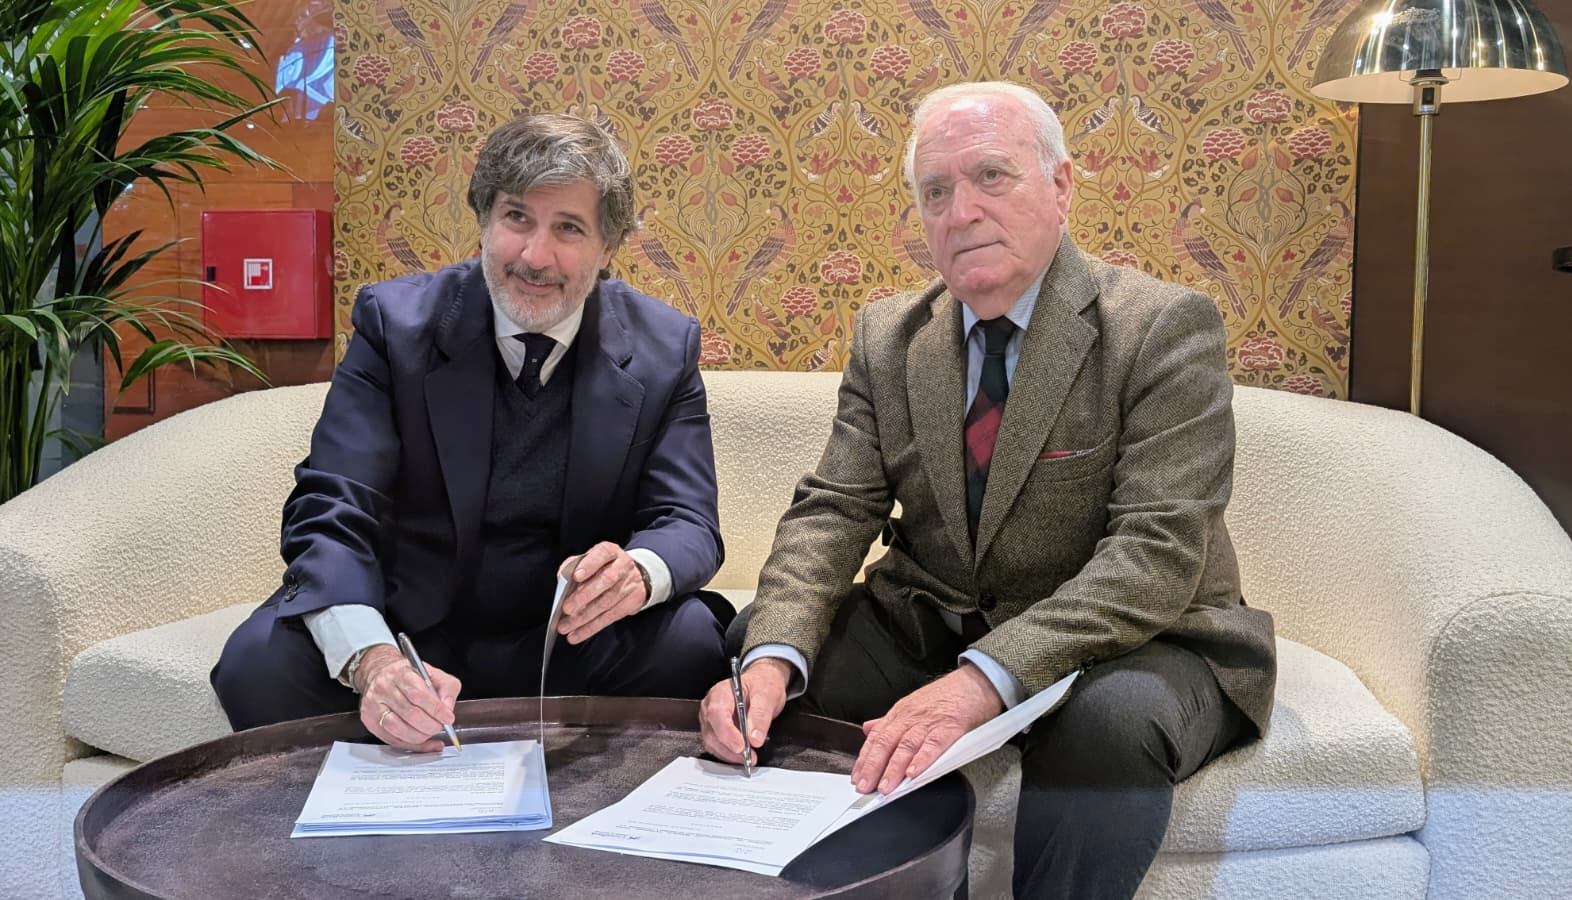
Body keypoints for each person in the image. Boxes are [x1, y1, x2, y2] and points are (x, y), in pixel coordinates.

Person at [699, 82, 1277, 900]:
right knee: (762, 657)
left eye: (991, 177)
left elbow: (1157, 554)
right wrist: (770, 656)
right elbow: (835, 507)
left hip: (1138, 641)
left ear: (1061, 186)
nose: (961, 212)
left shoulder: (1161, 327)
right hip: (935, 618)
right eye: (936, 192)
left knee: (1108, 729)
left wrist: (983, 680)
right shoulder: (890, 336)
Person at [214, 113, 730, 751]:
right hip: (411, 629)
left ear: (607, 249)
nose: (535, 257)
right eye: (517, 218)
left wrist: (637, 573)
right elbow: (333, 505)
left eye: (568, 228)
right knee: (258, 666)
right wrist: (374, 662)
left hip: (569, 639)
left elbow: (687, 520)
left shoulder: (663, 346)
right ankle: (388, 751)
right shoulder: (394, 325)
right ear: (484, 220)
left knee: (691, 643)